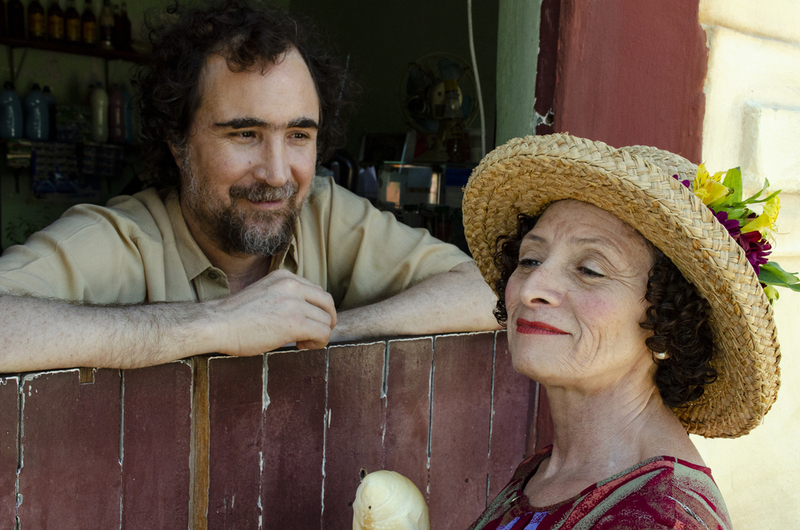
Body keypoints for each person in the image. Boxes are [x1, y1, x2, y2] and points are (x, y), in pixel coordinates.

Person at [0, 0, 498, 373]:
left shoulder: (324, 212)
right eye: (245, 133)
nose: (278, 174)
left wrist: (324, 331)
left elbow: (489, 290)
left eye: (299, 135)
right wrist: (217, 325)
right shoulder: (122, 238)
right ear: (178, 141)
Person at [460, 133, 791, 529]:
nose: (532, 290)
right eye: (530, 260)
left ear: (670, 320)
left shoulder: (659, 517)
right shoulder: (550, 471)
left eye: (590, 270)